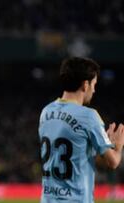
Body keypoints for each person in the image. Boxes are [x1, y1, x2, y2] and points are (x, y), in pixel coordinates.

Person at [38, 56, 124, 203]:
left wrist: (98, 147)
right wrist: (117, 146)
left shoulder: (46, 112)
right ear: (85, 85)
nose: (94, 90)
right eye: (94, 84)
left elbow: (76, 154)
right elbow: (113, 162)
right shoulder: (89, 116)